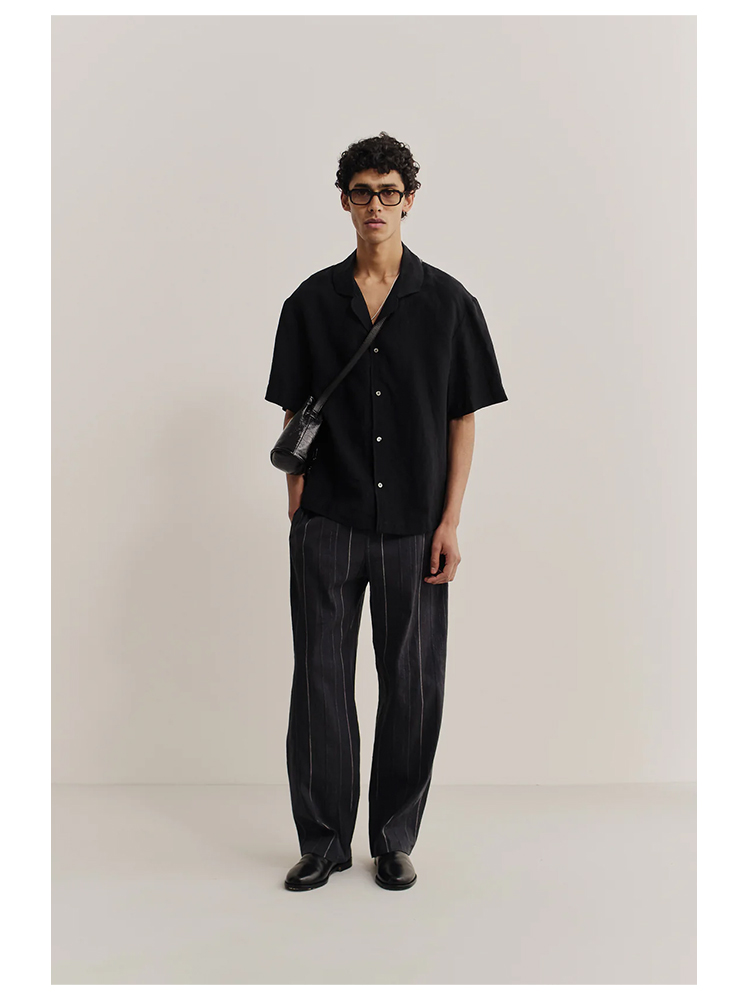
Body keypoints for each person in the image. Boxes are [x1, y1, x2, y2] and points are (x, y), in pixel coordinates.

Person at [264, 132, 508, 891]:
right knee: (320, 686)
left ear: (409, 200)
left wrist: (450, 521)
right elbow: (293, 411)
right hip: (329, 522)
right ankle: (324, 841)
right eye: (363, 192)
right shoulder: (309, 302)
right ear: (345, 201)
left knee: (413, 685)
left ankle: (394, 837)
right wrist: (299, 506)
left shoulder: (449, 303)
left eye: (389, 192)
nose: (376, 204)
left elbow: (462, 417)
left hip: (414, 528)